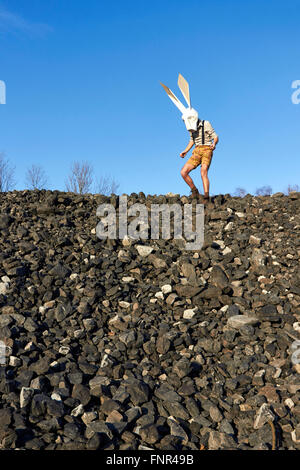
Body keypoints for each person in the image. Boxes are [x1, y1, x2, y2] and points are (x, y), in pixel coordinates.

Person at [180, 118, 219, 203]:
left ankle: (206, 197)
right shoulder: (190, 128)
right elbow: (192, 140)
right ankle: (194, 191)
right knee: (183, 172)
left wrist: (214, 143)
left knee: (203, 171)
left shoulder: (206, 123)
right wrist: (185, 151)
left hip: (207, 149)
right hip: (197, 151)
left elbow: (215, 136)